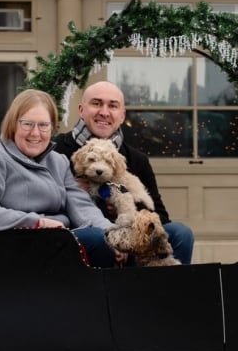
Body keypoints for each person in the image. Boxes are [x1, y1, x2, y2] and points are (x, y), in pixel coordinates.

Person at [0, 88, 119, 268]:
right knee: (95, 241)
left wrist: (113, 233)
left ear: (52, 127)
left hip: (57, 241)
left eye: (43, 125)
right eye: (27, 124)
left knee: (123, 243)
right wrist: (38, 222)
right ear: (13, 124)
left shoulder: (58, 161)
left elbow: (82, 206)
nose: (36, 133)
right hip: (15, 245)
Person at [53, 80, 195, 264]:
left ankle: (167, 291)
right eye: (96, 103)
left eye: (112, 106)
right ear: (81, 110)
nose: (104, 112)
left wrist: (123, 210)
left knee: (180, 233)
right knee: (97, 238)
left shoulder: (137, 160)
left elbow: (159, 215)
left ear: (122, 115)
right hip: (83, 241)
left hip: (130, 239)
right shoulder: (57, 151)